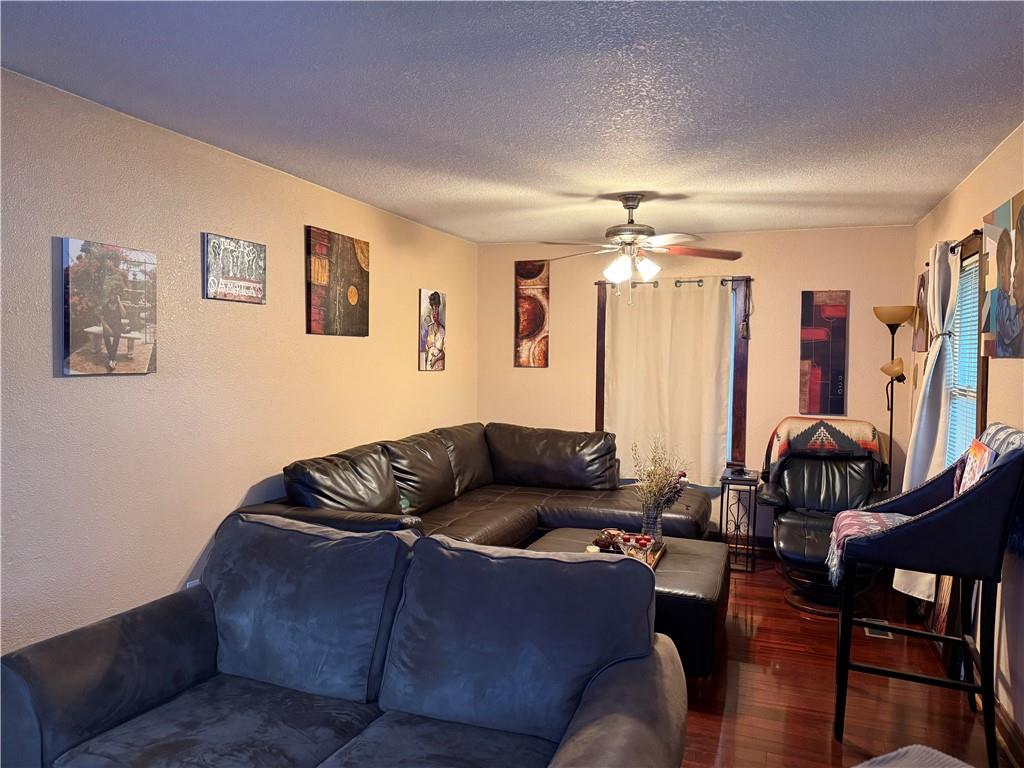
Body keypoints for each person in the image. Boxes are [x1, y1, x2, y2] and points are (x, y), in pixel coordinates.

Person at [100, 293, 126, 371]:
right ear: (109, 296)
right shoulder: (105, 306)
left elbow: (124, 315)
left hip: (117, 326)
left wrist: (119, 302)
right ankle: (112, 359)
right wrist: (108, 328)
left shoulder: (119, 305)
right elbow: (102, 319)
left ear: (117, 296)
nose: (113, 297)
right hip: (107, 326)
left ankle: (111, 359)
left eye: (114, 295)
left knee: (117, 337)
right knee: (106, 336)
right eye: (111, 295)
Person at [422, 291, 445, 370]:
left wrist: (435, 359)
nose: (435, 313)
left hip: (439, 366)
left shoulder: (443, 330)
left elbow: (445, 352)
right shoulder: (429, 328)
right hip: (429, 366)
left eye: (436, 310)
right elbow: (426, 350)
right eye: (433, 310)